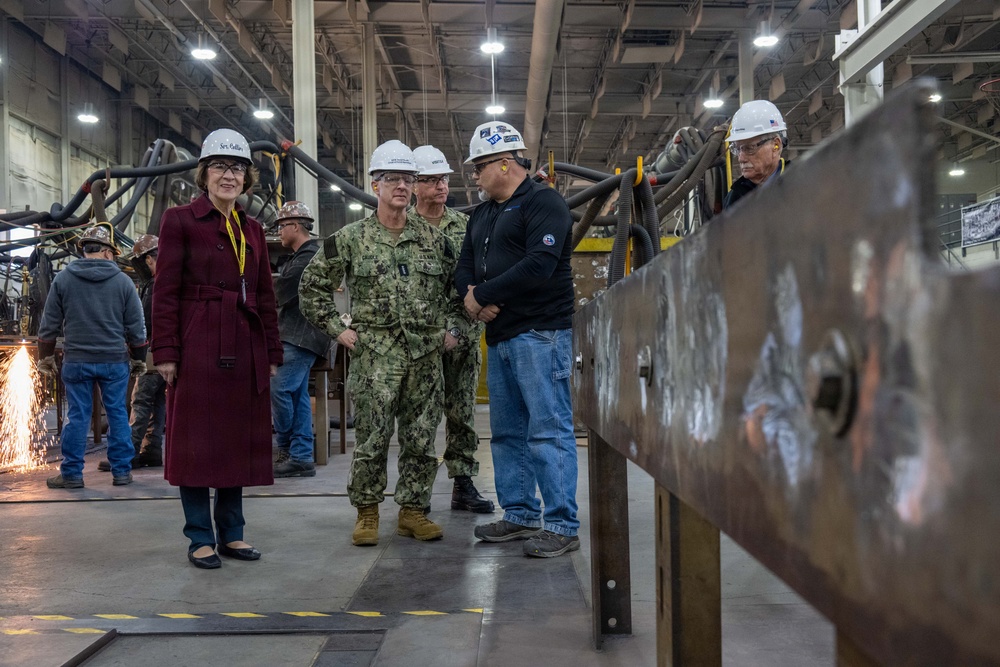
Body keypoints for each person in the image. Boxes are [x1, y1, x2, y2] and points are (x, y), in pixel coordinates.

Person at [299, 140, 463, 547]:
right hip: (375, 358)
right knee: (372, 439)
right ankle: (367, 512)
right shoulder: (350, 239)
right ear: (375, 185)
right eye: (393, 178)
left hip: (425, 357)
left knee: (423, 440)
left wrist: (453, 331)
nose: (402, 186)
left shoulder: (436, 241)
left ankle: (413, 511)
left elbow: (461, 293)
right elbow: (311, 289)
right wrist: (339, 330)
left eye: (409, 179)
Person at [151, 128, 282, 569]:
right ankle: (199, 537)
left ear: (247, 177)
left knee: (233, 440)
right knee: (195, 442)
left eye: (238, 168)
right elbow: (165, 291)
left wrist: (271, 354)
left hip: (243, 341)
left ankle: (233, 533)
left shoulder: (254, 229)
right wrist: (165, 351)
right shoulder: (180, 220)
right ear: (204, 173)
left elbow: (265, 295)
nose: (230, 175)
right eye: (222, 167)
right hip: (198, 339)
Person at [454, 120, 581, 558]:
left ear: (505, 163)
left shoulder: (545, 203)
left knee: (549, 431)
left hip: (541, 334)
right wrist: (472, 298)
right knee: (507, 432)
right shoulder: (486, 212)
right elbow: (464, 263)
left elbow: (540, 264)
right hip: (502, 335)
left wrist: (483, 297)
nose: (474, 175)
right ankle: (522, 513)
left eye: (480, 166)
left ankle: (562, 524)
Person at [409, 145, 495, 514]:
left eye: (443, 179)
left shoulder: (466, 226)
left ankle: (463, 485)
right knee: (418, 417)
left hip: (462, 335)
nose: (441, 186)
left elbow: (479, 281)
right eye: (430, 180)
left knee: (461, 412)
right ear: (414, 185)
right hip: (418, 341)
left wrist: (458, 329)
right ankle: (417, 491)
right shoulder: (400, 228)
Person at [37, 222, 147, 489]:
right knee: (118, 414)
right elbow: (136, 326)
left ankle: (72, 474)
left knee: (78, 416)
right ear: (109, 252)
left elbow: (49, 324)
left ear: (83, 250)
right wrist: (138, 358)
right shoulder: (123, 282)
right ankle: (121, 471)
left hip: (77, 361)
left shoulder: (64, 278)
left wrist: (46, 356)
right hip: (113, 360)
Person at [271, 200, 331, 478]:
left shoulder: (307, 258)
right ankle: (301, 455)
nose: (279, 233)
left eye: (282, 227)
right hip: (299, 334)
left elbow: (282, 291)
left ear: (296, 226)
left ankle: (286, 446)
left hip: (301, 336)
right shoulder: (301, 256)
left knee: (280, 389)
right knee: (296, 395)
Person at [97, 233, 165, 472]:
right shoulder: (166, 283)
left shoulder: (157, 285)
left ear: (148, 260)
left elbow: (143, 322)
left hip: (153, 352)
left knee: (140, 401)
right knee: (157, 402)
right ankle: (152, 451)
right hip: (165, 353)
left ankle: (128, 454)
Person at [722, 100, 790, 209]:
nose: (741, 158)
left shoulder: (801, 185)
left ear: (775, 145)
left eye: (749, 148)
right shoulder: (734, 198)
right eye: (738, 149)